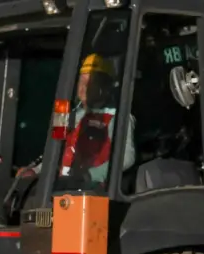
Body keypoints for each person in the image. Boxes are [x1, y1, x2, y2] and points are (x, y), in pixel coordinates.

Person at [22, 53, 136, 186]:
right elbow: (54, 153)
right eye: (81, 81)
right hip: (58, 188)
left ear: (104, 87)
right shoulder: (65, 115)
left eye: (90, 82)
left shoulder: (119, 117)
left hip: (92, 191)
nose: (83, 87)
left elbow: (126, 158)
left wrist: (90, 175)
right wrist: (35, 171)